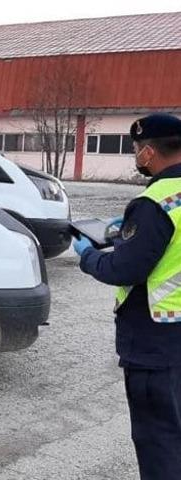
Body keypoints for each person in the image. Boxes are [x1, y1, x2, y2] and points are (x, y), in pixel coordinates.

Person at [73, 113, 181, 480]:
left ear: (149, 152)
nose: (136, 155)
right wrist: (129, 237)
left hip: (156, 341)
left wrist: (89, 257)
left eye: (137, 149)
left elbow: (125, 270)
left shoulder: (153, 202)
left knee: (159, 439)